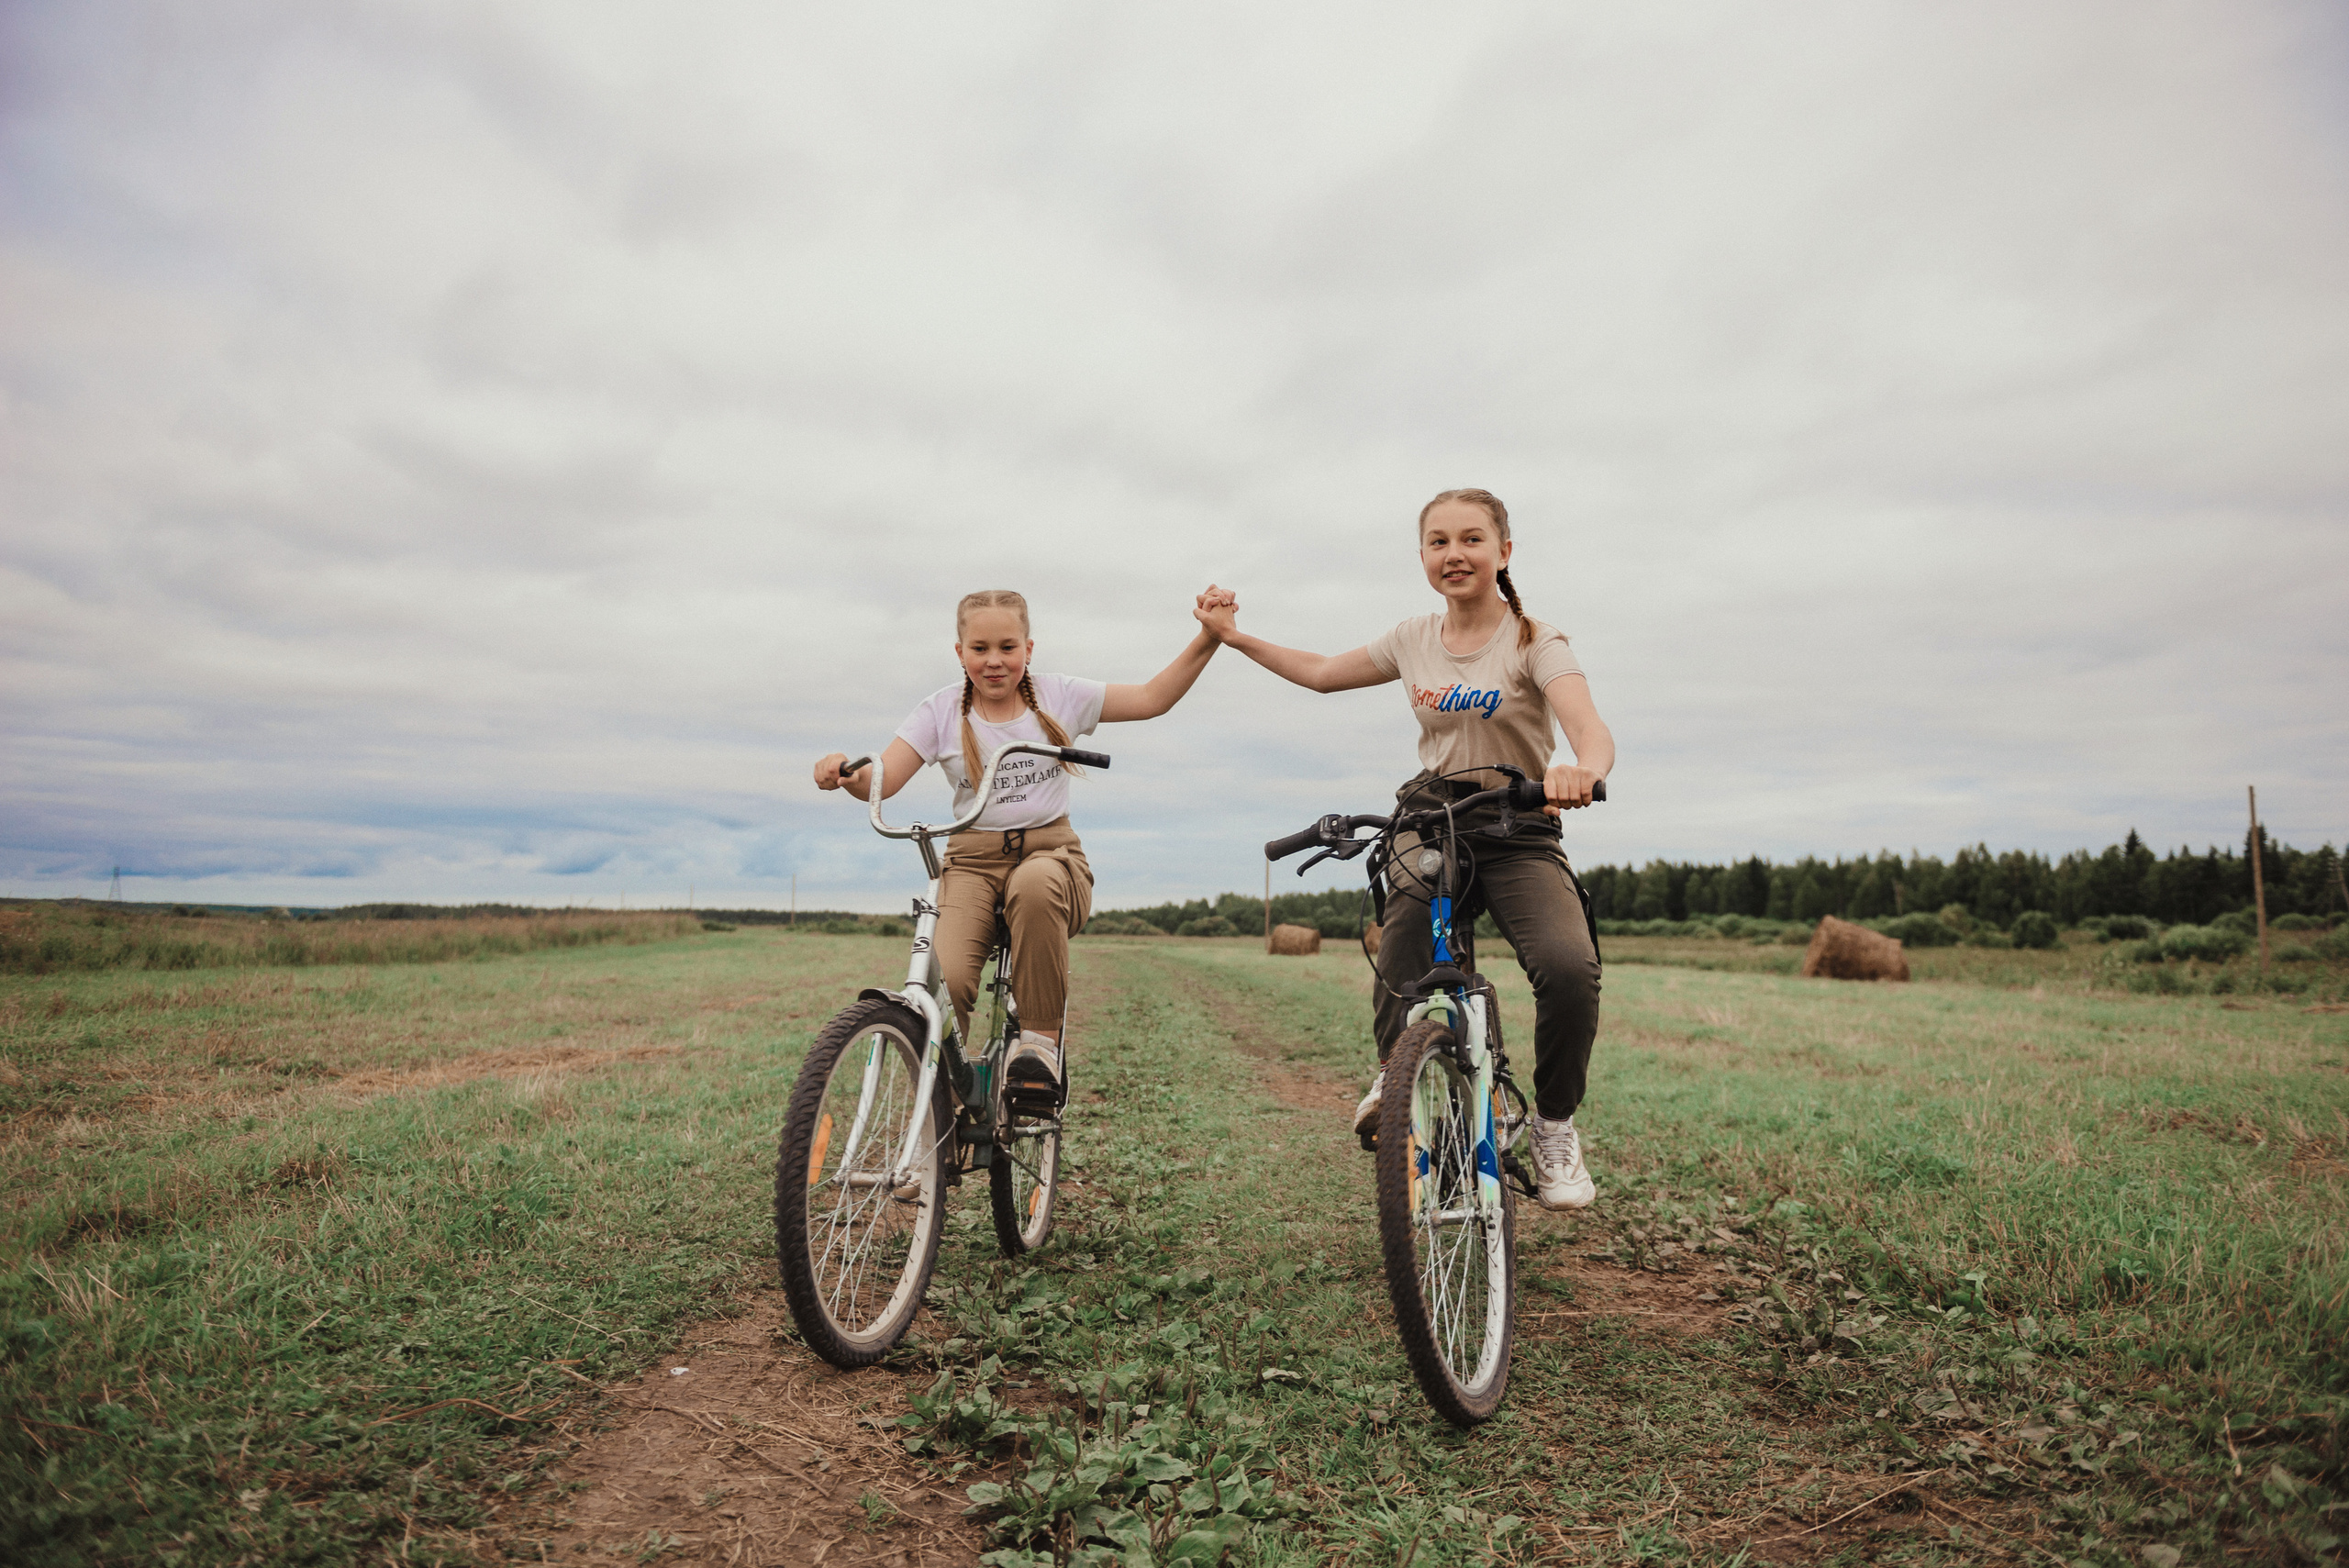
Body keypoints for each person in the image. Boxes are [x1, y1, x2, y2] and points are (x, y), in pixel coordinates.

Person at [1192, 489, 1614, 1208]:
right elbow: (1322, 673)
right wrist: (1234, 637)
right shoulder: (1412, 637)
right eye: (1438, 541)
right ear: (1422, 555)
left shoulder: (1536, 640)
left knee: (1570, 967)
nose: (1455, 553)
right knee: (1406, 929)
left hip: (1517, 822)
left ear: (1504, 551)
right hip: (1432, 816)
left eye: (1472, 539)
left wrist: (1583, 770)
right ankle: (1396, 1073)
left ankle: (1553, 1124)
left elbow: (1589, 728)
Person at [813, 589, 1221, 1105]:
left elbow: (1151, 698)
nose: (994, 660)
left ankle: (1038, 1048)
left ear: (1028, 649)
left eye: (1007, 647)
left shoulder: (1060, 696)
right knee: (948, 979)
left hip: (1052, 856)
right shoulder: (939, 711)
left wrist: (1209, 638)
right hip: (971, 863)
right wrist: (846, 774)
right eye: (980, 648)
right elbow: (884, 777)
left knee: (1034, 884)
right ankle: (940, 1113)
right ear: (960, 652)